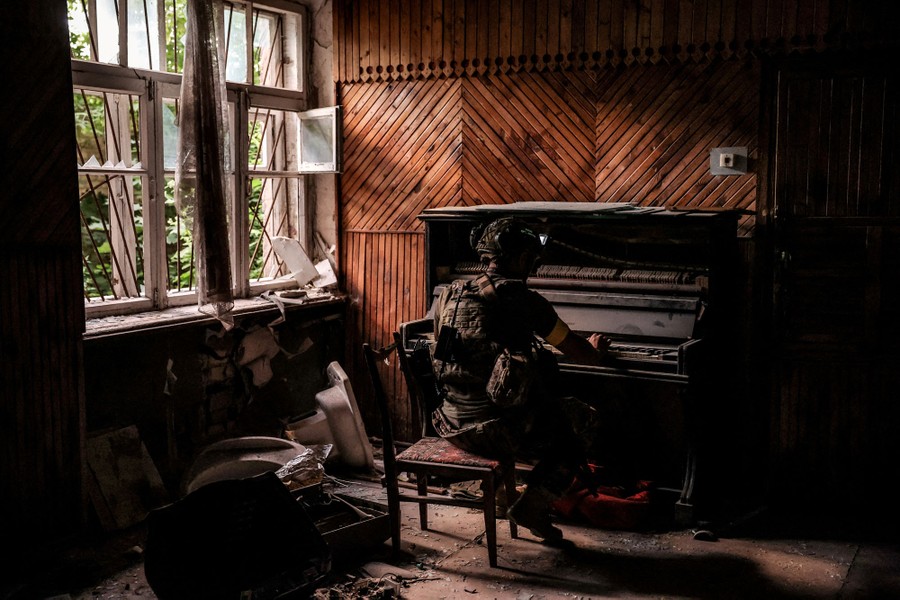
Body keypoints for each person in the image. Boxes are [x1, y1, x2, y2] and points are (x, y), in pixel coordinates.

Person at [429, 216, 610, 543]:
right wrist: (594, 349)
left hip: (448, 420)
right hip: (494, 432)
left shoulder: (450, 293)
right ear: (524, 257)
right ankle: (533, 505)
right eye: (531, 259)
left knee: (534, 408)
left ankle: (504, 494)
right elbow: (577, 350)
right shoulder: (523, 300)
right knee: (583, 420)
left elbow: (445, 350)